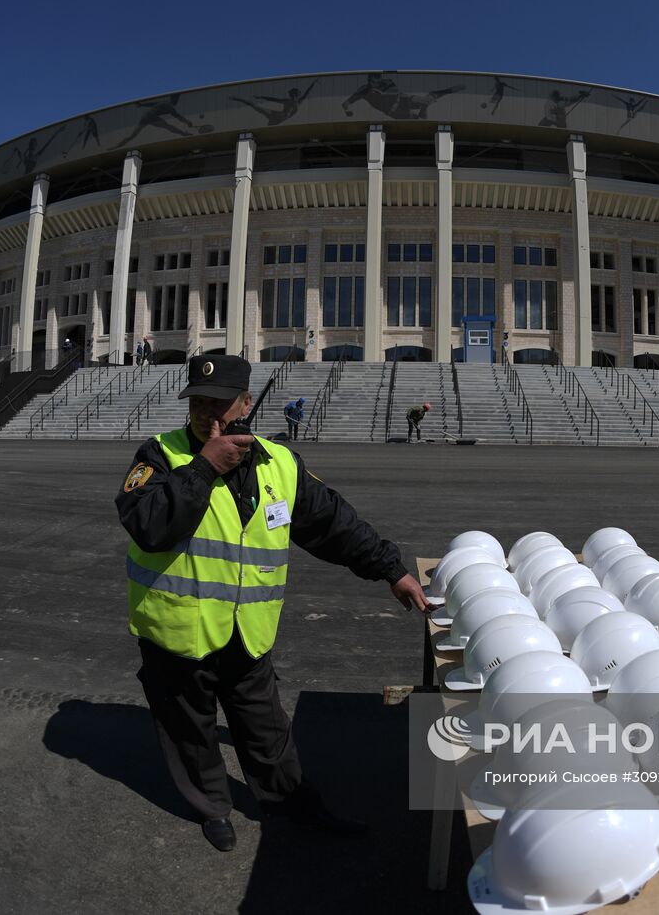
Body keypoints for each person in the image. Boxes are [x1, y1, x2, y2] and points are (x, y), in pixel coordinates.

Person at [115, 354, 431, 853]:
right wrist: (204, 467)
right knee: (190, 732)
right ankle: (212, 808)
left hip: (247, 632)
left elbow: (333, 524)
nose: (206, 414)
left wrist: (390, 569)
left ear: (245, 403)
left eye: (219, 403)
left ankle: (291, 804)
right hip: (178, 633)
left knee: (268, 730)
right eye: (198, 402)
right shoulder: (160, 455)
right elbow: (149, 527)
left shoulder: (279, 462)